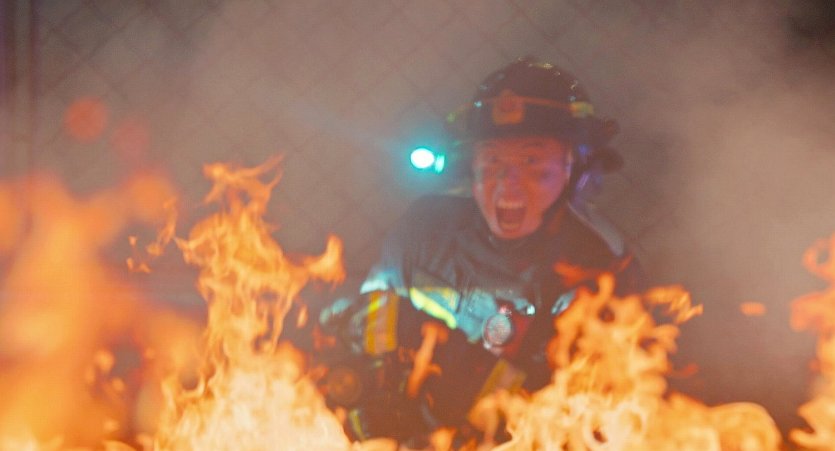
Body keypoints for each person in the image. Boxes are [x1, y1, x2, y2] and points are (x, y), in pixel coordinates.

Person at [318, 56, 644, 447]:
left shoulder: (601, 271)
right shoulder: (426, 228)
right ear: (471, 167)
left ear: (574, 168)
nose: (508, 182)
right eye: (492, 160)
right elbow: (356, 322)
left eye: (531, 161)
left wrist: (469, 381)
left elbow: (582, 424)